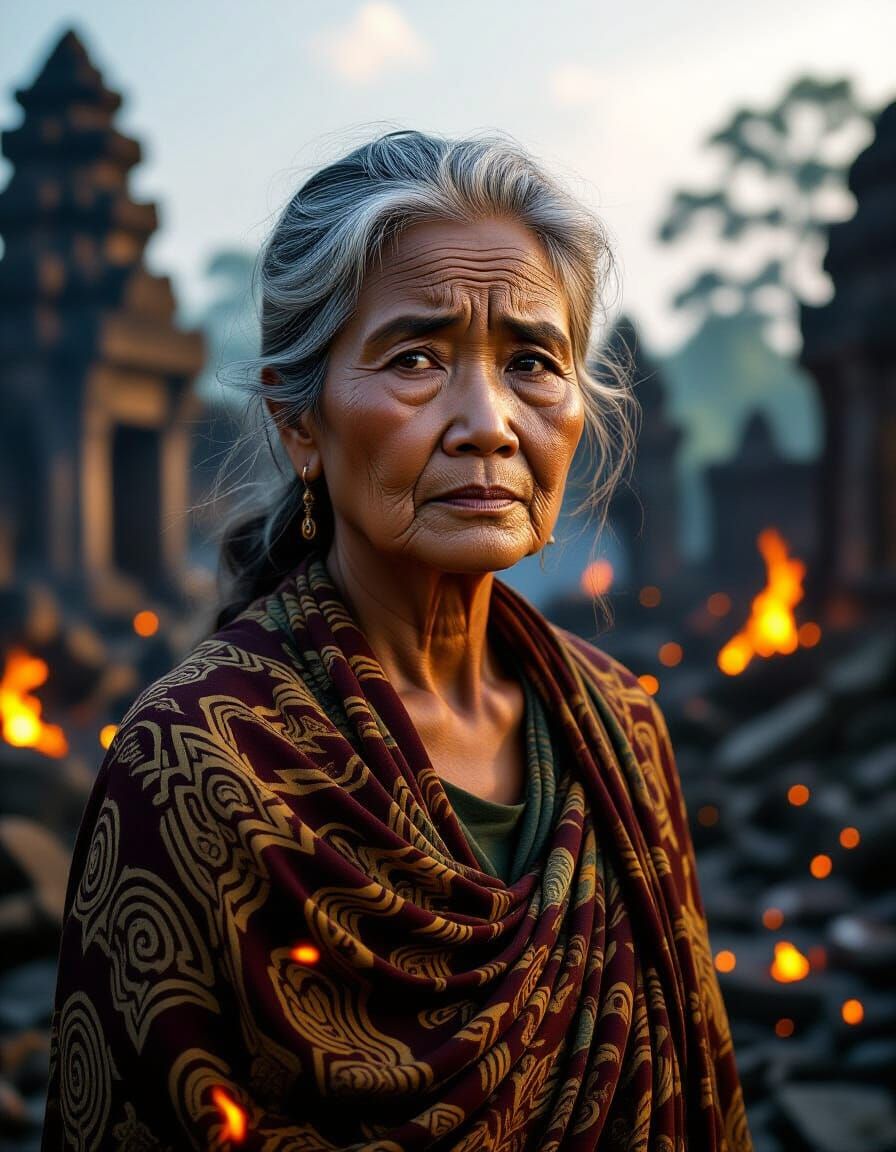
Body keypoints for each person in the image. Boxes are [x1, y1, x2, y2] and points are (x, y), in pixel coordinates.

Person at [42, 129, 753, 1151]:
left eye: (531, 362)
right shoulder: (195, 764)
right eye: (416, 358)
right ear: (299, 420)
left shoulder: (620, 730)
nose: (488, 423)